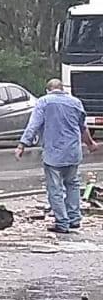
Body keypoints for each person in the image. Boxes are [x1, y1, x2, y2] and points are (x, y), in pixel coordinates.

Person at [17, 79, 98, 234]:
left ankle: (62, 222)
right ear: (62, 89)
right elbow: (83, 128)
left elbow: (33, 125)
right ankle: (74, 219)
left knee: (55, 189)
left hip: (53, 154)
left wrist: (22, 144)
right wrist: (90, 144)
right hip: (73, 152)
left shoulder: (44, 102)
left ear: (48, 90)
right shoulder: (76, 102)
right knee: (73, 185)